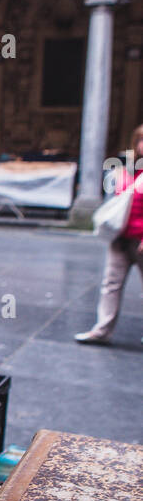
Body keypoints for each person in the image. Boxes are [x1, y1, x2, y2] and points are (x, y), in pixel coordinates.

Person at [75, 125, 143, 345]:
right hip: (121, 238)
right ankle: (102, 330)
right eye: (141, 140)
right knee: (111, 284)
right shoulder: (126, 171)